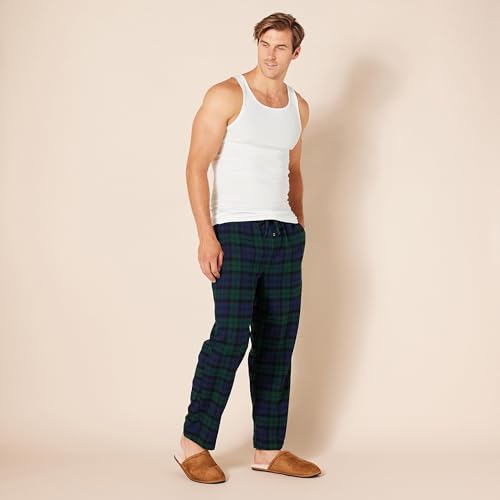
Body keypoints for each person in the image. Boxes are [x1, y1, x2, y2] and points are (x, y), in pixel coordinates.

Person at [174, 12, 322, 483]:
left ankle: (268, 450)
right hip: (235, 232)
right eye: (264, 44)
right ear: (256, 44)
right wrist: (206, 234)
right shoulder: (227, 94)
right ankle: (193, 445)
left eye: (281, 47)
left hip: (283, 237)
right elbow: (195, 166)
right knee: (231, 336)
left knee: (278, 341)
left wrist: (299, 226)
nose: (270, 54)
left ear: (295, 53)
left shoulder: (299, 107)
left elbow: (293, 170)